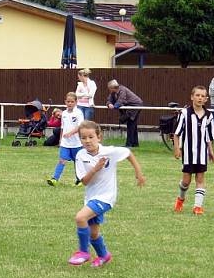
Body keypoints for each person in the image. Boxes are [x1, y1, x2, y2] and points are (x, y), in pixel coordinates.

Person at [69, 120, 145, 267]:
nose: (87, 141)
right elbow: (84, 181)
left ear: (99, 137)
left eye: (91, 137)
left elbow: (128, 153)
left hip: (106, 198)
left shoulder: (108, 151)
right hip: (91, 197)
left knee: (80, 217)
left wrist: (139, 173)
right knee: (93, 233)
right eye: (83, 138)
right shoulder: (80, 155)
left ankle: (83, 252)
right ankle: (104, 255)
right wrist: (95, 169)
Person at [173, 86, 214, 215]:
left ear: (206, 99)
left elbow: (208, 136)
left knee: (200, 178)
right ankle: (180, 199)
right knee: (186, 181)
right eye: (197, 95)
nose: (200, 98)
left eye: (203, 96)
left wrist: (211, 151)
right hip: (188, 153)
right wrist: (177, 148)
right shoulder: (185, 113)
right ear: (192, 97)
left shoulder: (209, 115)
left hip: (202, 154)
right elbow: (176, 133)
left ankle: (197, 207)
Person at [46, 92, 84, 186]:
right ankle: (55, 179)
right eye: (68, 101)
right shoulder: (64, 114)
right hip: (65, 143)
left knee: (77, 162)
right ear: (65, 102)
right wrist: (60, 139)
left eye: (72, 102)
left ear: (76, 102)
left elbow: (80, 127)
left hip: (76, 143)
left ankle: (79, 180)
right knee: (62, 160)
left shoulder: (78, 113)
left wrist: (71, 133)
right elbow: (63, 127)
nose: (70, 103)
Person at [106, 79, 143, 147]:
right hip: (130, 107)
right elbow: (109, 100)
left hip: (135, 106)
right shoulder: (113, 93)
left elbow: (121, 101)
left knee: (131, 124)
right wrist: (109, 104)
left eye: (110, 88)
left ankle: (129, 144)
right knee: (133, 125)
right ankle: (135, 144)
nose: (109, 90)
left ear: (113, 88)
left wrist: (114, 106)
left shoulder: (122, 90)